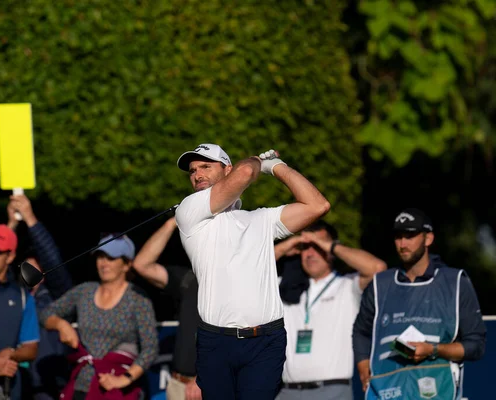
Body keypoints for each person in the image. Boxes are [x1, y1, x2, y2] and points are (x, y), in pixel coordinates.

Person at [174, 144, 330, 399]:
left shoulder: (261, 219)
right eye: (192, 171)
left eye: (205, 166)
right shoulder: (189, 210)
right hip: (216, 341)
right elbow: (246, 172)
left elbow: (318, 205)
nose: (197, 174)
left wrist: (277, 167)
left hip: (266, 340)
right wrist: (259, 161)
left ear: (227, 170)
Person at [352, 208, 487, 399]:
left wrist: (433, 349)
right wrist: (363, 365)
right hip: (385, 392)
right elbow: (361, 331)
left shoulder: (455, 281)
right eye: (398, 236)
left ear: (428, 239)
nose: (403, 243)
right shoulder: (379, 284)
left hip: (438, 390)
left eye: (410, 235)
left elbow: (476, 345)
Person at [273, 220, 386, 400]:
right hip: (287, 391)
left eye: (317, 246)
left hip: (333, 390)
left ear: (332, 250)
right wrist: (288, 244)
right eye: (306, 247)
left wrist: (328, 246)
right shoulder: (287, 287)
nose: (310, 253)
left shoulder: (347, 286)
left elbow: (377, 269)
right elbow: (249, 270)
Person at [40, 235, 159, 400]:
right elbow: (45, 313)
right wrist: (61, 324)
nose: (103, 263)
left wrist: (125, 379)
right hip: (81, 385)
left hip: (116, 390)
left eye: (111, 258)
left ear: (127, 264)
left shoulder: (138, 299)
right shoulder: (84, 291)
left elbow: (150, 349)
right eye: (100, 257)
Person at [6, 193, 73, 400]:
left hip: (49, 386)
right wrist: (11, 224)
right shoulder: (11, 295)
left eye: (37, 265)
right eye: (26, 265)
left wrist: (30, 218)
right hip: (14, 382)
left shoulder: (59, 295)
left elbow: (51, 257)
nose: (30, 270)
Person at [132, 217, 201, 400]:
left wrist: (205, 376)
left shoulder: (234, 284)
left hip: (209, 385)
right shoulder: (190, 279)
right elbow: (141, 265)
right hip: (177, 385)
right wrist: (173, 222)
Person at [0, 224, 40, 400]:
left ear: (10, 256)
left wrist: (11, 354)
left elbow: (31, 348)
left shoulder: (22, 297)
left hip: (8, 388)